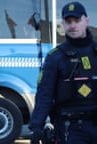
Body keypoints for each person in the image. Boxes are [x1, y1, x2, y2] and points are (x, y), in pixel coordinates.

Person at [30, 1, 97, 144]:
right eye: (68, 21)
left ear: (86, 21)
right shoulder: (55, 57)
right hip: (70, 129)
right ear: (63, 24)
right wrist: (36, 126)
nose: (72, 25)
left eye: (77, 20)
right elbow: (44, 94)